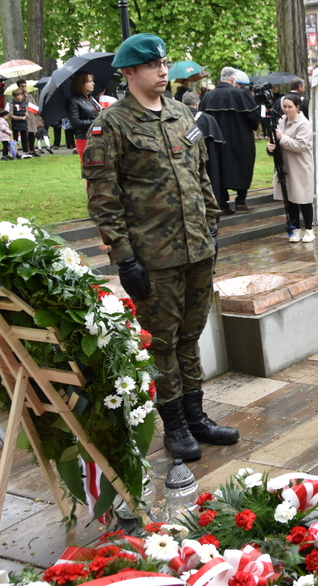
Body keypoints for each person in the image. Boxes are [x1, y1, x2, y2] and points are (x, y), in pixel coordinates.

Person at [82, 33, 239, 462]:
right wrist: (124, 258)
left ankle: (197, 417)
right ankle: (174, 426)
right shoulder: (111, 124)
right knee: (162, 342)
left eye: (164, 63)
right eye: (153, 65)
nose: (163, 70)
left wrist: (211, 225)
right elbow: (103, 198)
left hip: (197, 249)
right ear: (130, 72)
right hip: (153, 257)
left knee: (190, 337)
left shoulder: (181, 113)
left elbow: (201, 175)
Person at [200, 67, 261, 214]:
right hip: (240, 140)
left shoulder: (208, 96)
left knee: (218, 168)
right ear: (233, 80)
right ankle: (241, 201)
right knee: (243, 166)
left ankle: (222, 203)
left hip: (216, 141)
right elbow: (254, 117)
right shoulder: (241, 94)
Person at [268, 94, 315, 242]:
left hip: (300, 166)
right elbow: (276, 140)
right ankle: (295, 229)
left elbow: (300, 146)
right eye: (284, 107)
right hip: (285, 166)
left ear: (297, 107)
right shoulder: (281, 120)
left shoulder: (304, 123)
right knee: (290, 199)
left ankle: (309, 230)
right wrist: (270, 147)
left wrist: (282, 138)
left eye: (290, 107)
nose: (286, 110)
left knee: (303, 198)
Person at [182, 91, 226, 218]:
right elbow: (218, 145)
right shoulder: (208, 119)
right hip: (208, 163)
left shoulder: (178, 119)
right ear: (197, 104)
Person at [65, 70, 102, 163]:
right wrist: (97, 121)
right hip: (85, 139)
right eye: (89, 81)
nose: (93, 83)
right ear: (81, 83)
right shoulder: (73, 101)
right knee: (91, 167)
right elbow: (76, 123)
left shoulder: (91, 98)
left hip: (98, 138)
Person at [7, 91, 34, 158]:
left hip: (23, 123)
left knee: (24, 138)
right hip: (16, 123)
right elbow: (10, 115)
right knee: (15, 138)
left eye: (20, 95)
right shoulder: (12, 104)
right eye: (17, 95)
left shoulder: (24, 104)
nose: (19, 97)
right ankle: (15, 152)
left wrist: (26, 115)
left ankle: (26, 151)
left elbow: (26, 112)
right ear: (14, 96)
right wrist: (20, 118)